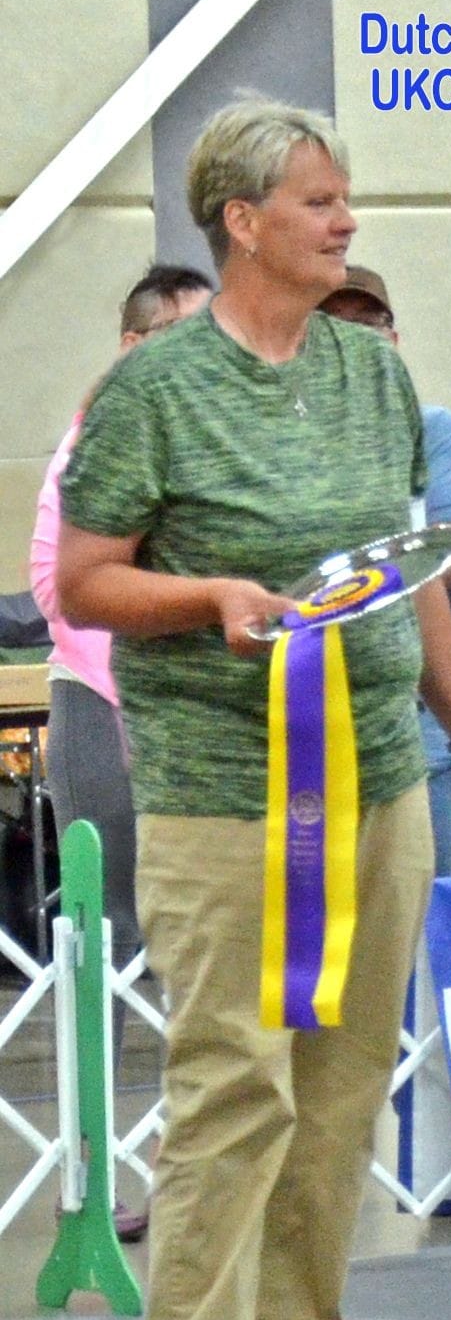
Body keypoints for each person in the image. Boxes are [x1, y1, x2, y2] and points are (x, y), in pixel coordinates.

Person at [55, 97, 451, 1320]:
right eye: (320, 200)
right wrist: (210, 597)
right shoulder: (154, 390)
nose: (347, 219)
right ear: (243, 221)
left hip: (377, 777)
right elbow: (81, 582)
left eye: (344, 197)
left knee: (339, 1083)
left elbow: (414, 575)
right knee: (231, 1086)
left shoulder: (377, 382)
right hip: (218, 789)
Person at [30, 262, 214, 1244]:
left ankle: (196, 1171)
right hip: (105, 707)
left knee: (202, 949)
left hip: (194, 712)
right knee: (104, 946)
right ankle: (95, 1178)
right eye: (187, 331)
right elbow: (56, 584)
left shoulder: (210, 441)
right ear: (136, 344)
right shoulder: (90, 446)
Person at [318, 266, 451, 875]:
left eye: (374, 324)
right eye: (338, 326)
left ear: (395, 338)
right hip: (317, 733)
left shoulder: (434, 430)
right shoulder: (285, 445)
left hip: (430, 733)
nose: (361, 340)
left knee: (443, 922)